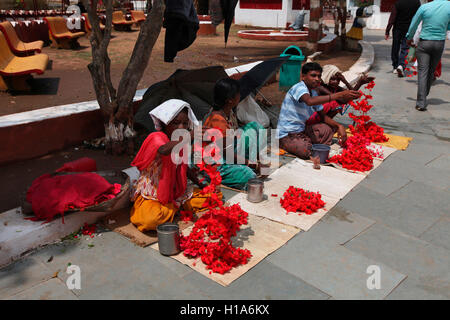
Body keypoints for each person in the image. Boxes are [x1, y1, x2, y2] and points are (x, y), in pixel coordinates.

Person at [130, 99, 216, 232]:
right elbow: (164, 150)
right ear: (164, 123)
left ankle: (174, 206)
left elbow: (183, 167)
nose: (181, 128)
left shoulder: (180, 141)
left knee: (212, 197)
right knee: (150, 221)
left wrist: (199, 183)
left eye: (185, 124)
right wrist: (188, 136)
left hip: (175, 191)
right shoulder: (156, 137)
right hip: (154, 193)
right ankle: (175, 206)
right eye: (176, 123)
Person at [277, 62, 360, 160]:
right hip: (286, 134)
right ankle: (285, 144)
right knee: (305, 151)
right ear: (303, 77)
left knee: (327, 129)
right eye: (313, 75)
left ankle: (304, 142)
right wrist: (339, 95)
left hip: (302, 130)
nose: (317, 79)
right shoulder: (298, 87)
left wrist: (339, 126)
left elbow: (323, 116)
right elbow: (309, 101)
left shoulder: (313, 93)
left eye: (319, 76)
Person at [202, 78, 268, 190]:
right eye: (238, 93)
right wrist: (253, 164)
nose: (240, 95)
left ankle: (251, 163)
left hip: (229, 149)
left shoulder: (227, 111)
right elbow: (228, 155)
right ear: (229, 100)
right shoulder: (218, 121)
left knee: (255, 127)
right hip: (216, 164)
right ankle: (246, 167)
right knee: (249, 176)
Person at [406, 0, 450, 111]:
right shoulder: (449, 6)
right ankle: (424, 95)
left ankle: (421, 102)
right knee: (431, 70)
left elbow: (414, 23)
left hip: (424, 43)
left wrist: (409, 37)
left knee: (423, 71)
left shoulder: (425, 7)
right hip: (439, 43)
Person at [307, 64, 375, 126]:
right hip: (311, 116)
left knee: (342, 101)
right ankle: (323, 123)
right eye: (333, 79)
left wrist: (358, 83)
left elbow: (351, 94)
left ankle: (326, 123)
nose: (336, 82)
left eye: (338, 80)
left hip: (322, 116)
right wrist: (358, 83)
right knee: (335, 102)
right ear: (326, 78)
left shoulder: (335, 88)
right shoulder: (321, 87)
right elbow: (342, 99)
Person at [385, 0, 421, 77]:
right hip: (409, 29)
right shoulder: (417, 3)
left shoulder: (398, 3)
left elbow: (392, 17)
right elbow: (419, 17)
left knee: (395, 47)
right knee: (405, 48)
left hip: (397, 29)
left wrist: (387, 31)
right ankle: (401, 65)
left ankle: (395, 66)